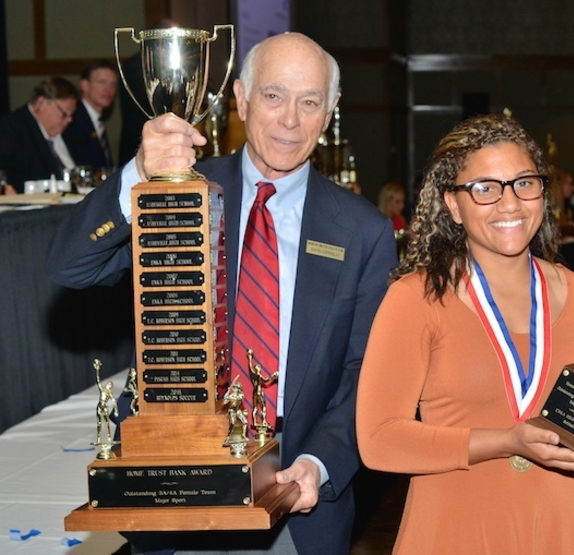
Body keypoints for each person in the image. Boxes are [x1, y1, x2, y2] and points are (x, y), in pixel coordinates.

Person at [46, 32, 397, 555]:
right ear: (241, 98)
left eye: (310, 102)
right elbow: (70, 266)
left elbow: (366, 373)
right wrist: (139, 175)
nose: (290, 120)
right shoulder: (181, 194)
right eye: (274, 96)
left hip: (294, 501)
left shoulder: (363, 232)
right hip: (170, 488)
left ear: (330, 113)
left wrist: (319, 463)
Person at [355, 115, 574, 554]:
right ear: (453, 204)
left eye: (524, 183)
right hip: (451, 533)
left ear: (543, 193)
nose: (509, 204)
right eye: (485, 188)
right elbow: (378, 442)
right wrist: (507, 440)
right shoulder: (415, 298)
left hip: (554, 530)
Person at [0, 76, 79, 193]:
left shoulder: (66, 133)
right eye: (65, 113)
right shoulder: (10, 130)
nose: (69, 120)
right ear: (41, 103)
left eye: (71, 115)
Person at [63, 59, 119, 169]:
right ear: (84, 85)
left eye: (113, 84)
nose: (109, 89)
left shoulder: (97, 120)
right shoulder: (71, 119)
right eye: (102, 82)